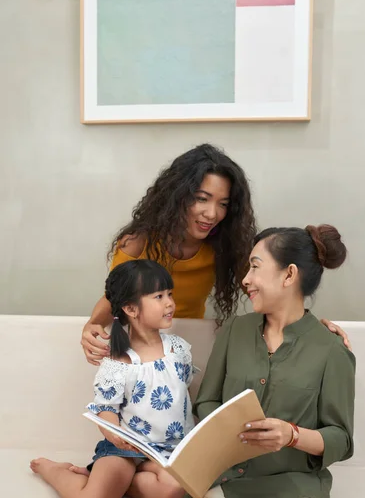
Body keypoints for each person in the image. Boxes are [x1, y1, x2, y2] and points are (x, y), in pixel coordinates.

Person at [170, 224, 356, 498]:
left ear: (289, 274)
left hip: (292, 487)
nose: (246, 278)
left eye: (255, 266)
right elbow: (206, 401)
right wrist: (226, 429)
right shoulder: (234, 331)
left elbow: (341, 439)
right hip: (225, 478)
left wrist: (292, 435)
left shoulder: (331, 350)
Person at [80, 144, 350, 366]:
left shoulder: (225, 245)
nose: (212, 214)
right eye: (201, 198)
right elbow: (114, 297)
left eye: (223, 204)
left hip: (190, 342)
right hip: (142, 344)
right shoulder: (139, 242)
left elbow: (273, 295)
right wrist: (92, 326)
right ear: (177, 196)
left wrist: (313, 329)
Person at [31, 260, 196, 498]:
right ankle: (55, 471)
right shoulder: (118, 363)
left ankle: (109, 482)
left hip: (168, 449)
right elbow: (106, 410)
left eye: (169, 294)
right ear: (131, 308)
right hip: (125, 449)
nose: (170, 303)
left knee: (176, 493)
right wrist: (116, 436)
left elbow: (184, 395)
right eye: (158, 296)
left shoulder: (179, 349)